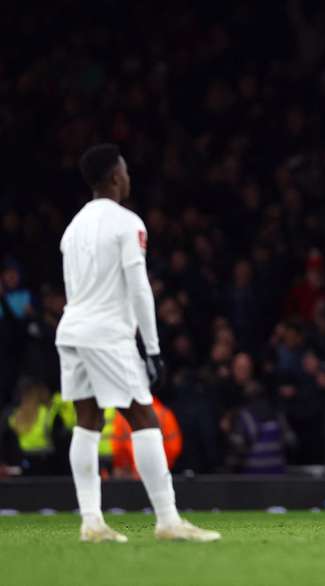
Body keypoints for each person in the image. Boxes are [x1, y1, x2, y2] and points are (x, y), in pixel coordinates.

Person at [55, 144, 220, 543]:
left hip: (72, 329)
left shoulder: (72, 227)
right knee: (145, 419)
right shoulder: (128, 223)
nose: (129, 178)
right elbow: (139, 287)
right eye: (125, 171)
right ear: (114, 176)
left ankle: (91, 522)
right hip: (108, 333)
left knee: (88, 422)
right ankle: (167, 520)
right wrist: (153, 347)